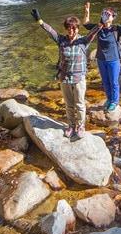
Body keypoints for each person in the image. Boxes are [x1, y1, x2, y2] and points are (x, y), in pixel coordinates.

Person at [33, 10, 94, 139]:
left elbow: (94, 32)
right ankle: (71, 126)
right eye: (68, 29)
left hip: (79, 78)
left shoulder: (83, 41)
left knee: (80, 104)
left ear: (77, 28)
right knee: (69, 105)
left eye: (74, 28)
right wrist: (40, 21)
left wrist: (101, 24)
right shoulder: (61, 40)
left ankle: (81, 126)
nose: (71, 31)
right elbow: (51, 31)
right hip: (65, 78)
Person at [83, 4, 121, 111]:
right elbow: (86, 24)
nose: (105, 15)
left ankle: (115, 101)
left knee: (114, 81)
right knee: (105, 81)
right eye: (104, 13)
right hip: (101, 59)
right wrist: (87, 11)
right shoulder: (99, 27)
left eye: (108, 14)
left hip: (114, 59)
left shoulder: (116, 29)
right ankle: (109, 98)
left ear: (113, 17)